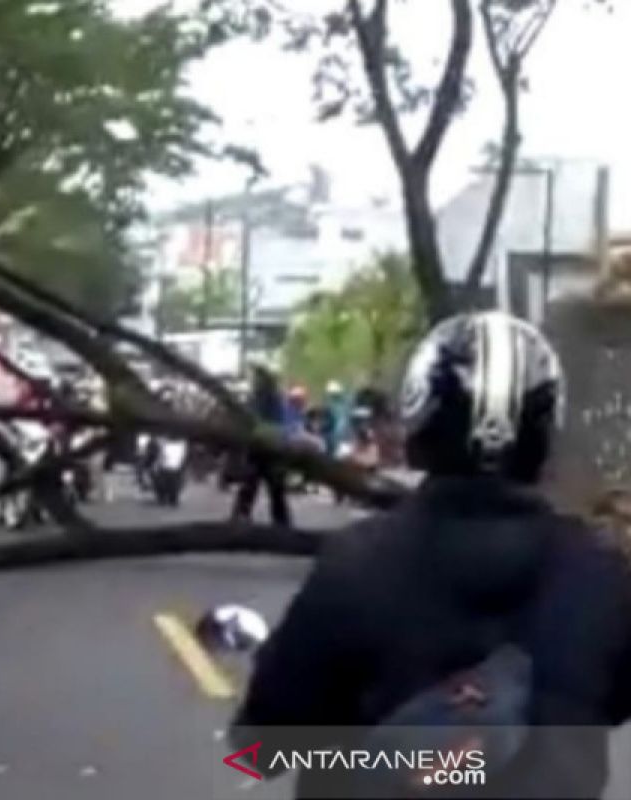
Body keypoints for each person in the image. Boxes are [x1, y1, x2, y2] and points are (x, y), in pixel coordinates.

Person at [230, 312, 631, 799]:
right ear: (547, 428)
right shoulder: (603, 577)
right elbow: (609, 704)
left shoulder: (356, 564)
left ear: (421, 416)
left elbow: (258, 750)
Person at [232, 363, 293, 527]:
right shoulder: (256, 397)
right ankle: (242, 515)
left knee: (273, 487)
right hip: (258, 446)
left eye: (257, 378)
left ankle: (280, 521)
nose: (254, 381)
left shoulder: (272, 397)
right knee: (251, 483)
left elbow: (280, 422)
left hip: (270, 446)